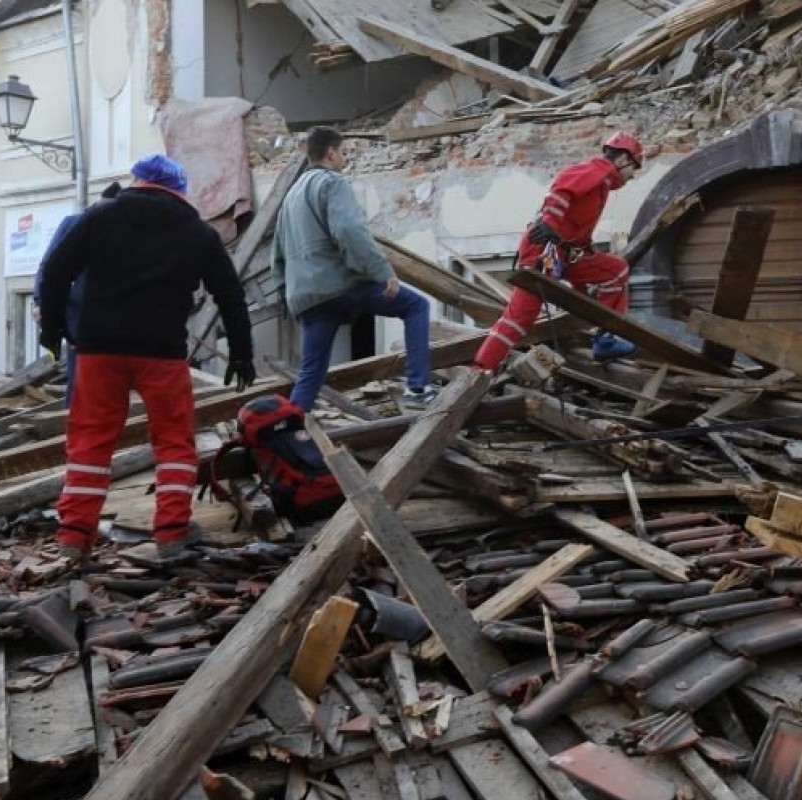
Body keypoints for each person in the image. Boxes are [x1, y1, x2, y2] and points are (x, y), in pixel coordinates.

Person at [39, 154, 255, 563]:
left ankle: (74, 536)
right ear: (179, 190)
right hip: (162, 353)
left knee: (90, 443)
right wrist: (241, 353)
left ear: (137, 181)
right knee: (175, 443)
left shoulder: (99, 218)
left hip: (100, 350)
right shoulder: (198, 232)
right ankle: (172, 533)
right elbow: (230, 295)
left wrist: (53, 332)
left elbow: (54, 271)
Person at [273, 126, 436, 412]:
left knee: (311, 373)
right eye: (343, 152)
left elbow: (278, 257)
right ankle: (418, 388)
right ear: (331, 152)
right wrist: (382, 271)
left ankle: (290, 428)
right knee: (416, 307)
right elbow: (349, 230)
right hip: (339, 286)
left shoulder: (289, 197)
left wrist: (291, 297)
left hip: (307, 298)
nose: (344, 159)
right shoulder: (332, 182)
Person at [472, 133, 644, 372]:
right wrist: (551, 222)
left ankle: (605, 339)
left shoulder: (601, 183)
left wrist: (582, 290)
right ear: (624, 159)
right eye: (634, 166)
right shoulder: (597, 169)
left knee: (615, 270)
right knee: (519, 318)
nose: (633, 175)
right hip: (544, 249)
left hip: (564, 253)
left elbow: (579, 232)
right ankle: (480, 369)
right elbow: (562, 188)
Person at [33, 181, 121, 407]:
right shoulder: (75, 224)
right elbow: (49, 266)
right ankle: (73, 430)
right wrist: (40, 302)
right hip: (80, 320)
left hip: (113, 321)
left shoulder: (127, 229)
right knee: (81, 383)